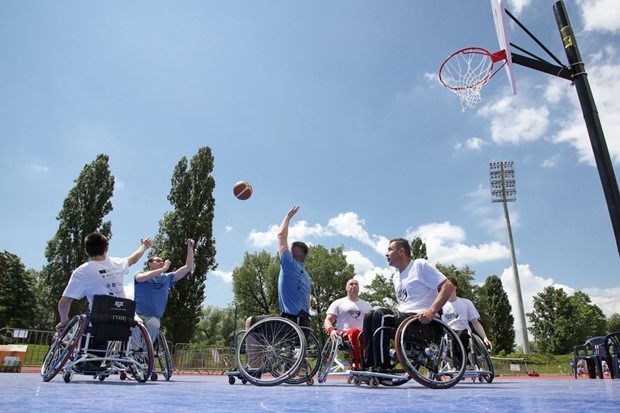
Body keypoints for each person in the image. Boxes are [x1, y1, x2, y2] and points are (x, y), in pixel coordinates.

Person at [362, 238, 455, 372]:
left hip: (423, 322)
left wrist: (431, 311)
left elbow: (448, 286)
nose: (386, 254)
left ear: (401, 251)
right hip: (406, 319)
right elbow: (405, 302)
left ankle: (382, 367)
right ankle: (369, 364)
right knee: (370, 314)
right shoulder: (396, 277)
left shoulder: (419, 265)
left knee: (380, 314)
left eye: (390, 249)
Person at [56, 232, 152, 333]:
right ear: (106, 248)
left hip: (99, 321)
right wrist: (144, 246)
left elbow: (64, 302)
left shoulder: (82, 271)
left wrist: (64, 321)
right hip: (125, 316)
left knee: (78, 331)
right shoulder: (117, 263)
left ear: (86, 251)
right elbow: (134, 258)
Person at [246, 205, 312, 329]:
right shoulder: (308, 278)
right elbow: (308, 304)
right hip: (305, 325)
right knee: (296, 346)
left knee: (250, 321)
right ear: (305, 256)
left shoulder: (288, 263)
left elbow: (281, 236)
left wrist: (288, 216)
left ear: (292, 252)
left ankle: (253, 349)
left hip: (288, 322)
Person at [133, 238, 195, 342]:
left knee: (154, 325)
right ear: (149, 264)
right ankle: (133, 352)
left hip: (153, 316)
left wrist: (190, 247)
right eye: (157, 260)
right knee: (135, 326)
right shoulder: (140, 273)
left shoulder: (167, 278)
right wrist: (163, 269)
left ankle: (144, 354)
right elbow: (140, 279)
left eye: (161, 261)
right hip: (137, 313)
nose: (160, 262)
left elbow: (188, 267)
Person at [441, 277, 492, 367]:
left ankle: (462, 360)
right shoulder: (440, 304)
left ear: (455, 287)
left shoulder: (466, 303)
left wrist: (484, 338)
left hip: (463, 332)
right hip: (448, 333)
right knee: (451, 336)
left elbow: (475, 322)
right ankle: (459, 360)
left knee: (460, 334)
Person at [324, 278, 372, 369]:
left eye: (356, 284)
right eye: (351, 284)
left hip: (362, 336)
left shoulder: (367, 305)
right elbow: (328, 320)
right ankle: (355, 363)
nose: (353, 286)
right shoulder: (338, 303)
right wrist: (331, 330)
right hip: (343, 335)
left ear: (359, 288)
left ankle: (372, 365)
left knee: (370, 335)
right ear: (346, 287)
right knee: (354, 331)